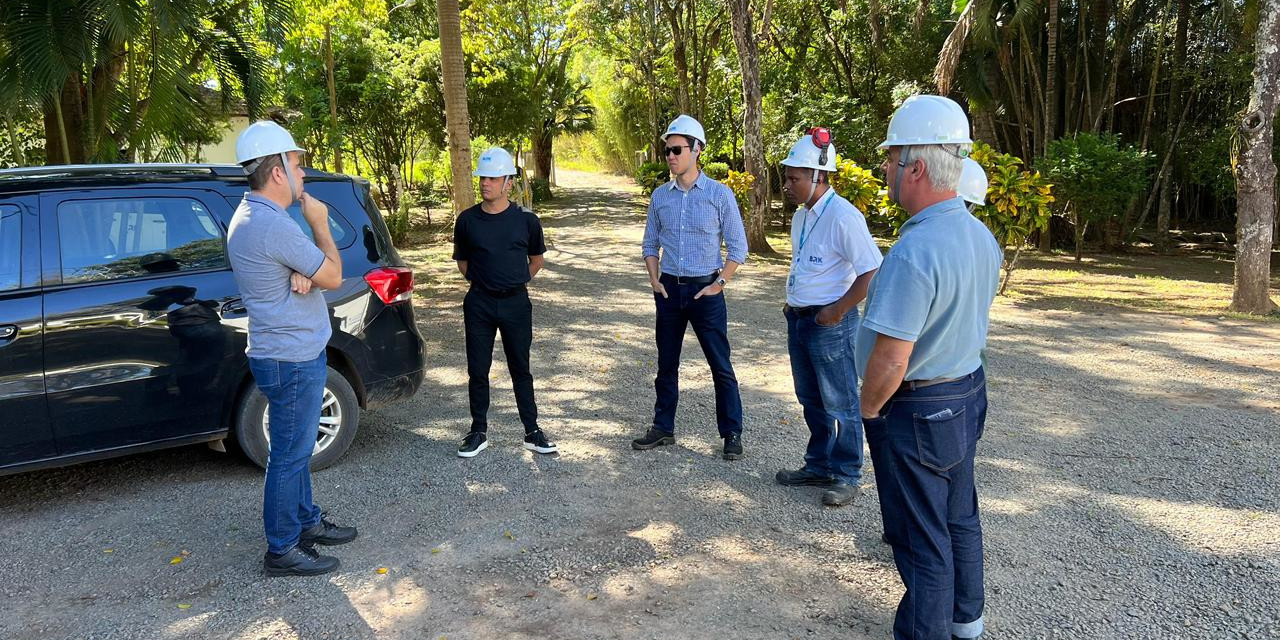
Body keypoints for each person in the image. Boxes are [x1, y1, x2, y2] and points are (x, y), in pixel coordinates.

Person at [856, 95, 1002, 640]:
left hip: (918, 410)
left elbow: (893, 358)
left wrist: (868, 409)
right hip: (966, 394)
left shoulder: (915, 251)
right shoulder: (979, 236)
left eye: (891, 161)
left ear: (915, 166)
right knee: (959, 516)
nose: (886, 171)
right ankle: (967, 623)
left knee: (921, 543)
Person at [227, 120, 357, 577]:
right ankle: (282, 548)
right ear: (278, 171)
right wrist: (320, 226)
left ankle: (304, 522)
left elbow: (310, 274)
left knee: (296, 449)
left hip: (285, 352)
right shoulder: (273, 226)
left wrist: (305, 271)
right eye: (298, 165)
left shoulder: (256, 218)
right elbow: (335, 275)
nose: (303, 175)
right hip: (292, 357)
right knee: (288, 455)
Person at [774, 129, 881, 507]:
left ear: (819, 176)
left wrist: (835, 312)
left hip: (829, 325)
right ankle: (818, 464)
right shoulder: (802, 217)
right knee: (810, 397)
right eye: (787, 176)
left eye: (794, 178)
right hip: (800, 320)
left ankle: (847, 474)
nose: (786, 184)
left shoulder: (844, 216)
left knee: (841, 401)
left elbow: (871, 271)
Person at [633, 114, 749, 460]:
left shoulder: (719, 194)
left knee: (720, 365)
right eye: (667, 150)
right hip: (669, 290)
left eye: (677, 149)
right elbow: (649, 244)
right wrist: (654, 279)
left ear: (697, 151)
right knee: (666, 363)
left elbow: (738, 247)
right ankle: (662, 428)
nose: (670, 156)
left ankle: (731, 433)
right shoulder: (660, 197)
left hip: (705, 291)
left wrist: (720, 283)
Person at [452, 147, 556, 458]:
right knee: (477, 369)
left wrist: (513, 280)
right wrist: (488, 283)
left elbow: (536, 261)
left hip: (516, 304)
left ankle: (532, 431)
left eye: (493, 178)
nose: (486, 183)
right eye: (483, 177)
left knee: (520, 368)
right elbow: (464, 263)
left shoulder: (527, 220)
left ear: (508, 182)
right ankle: (478, 431)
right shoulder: (467, 220)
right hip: (479, 304)